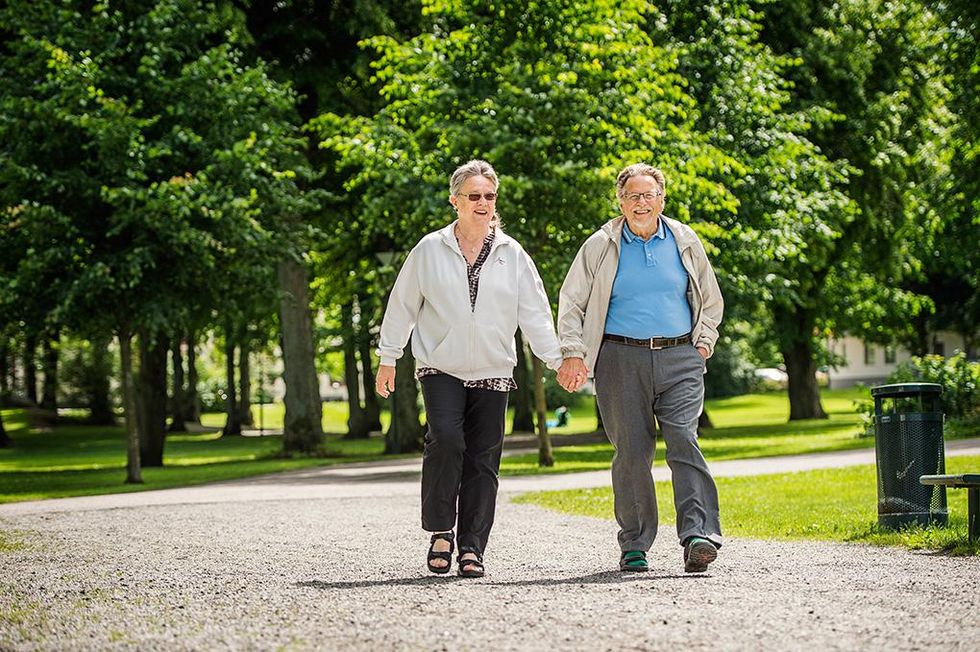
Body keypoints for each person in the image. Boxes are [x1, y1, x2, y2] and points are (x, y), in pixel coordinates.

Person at [375, 159, 571, 577]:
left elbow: (535, 313)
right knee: (445, 439)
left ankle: (471, 547)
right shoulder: (430, 249)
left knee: (484, 458)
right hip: (440, 365)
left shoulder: (512, 253)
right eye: (474, 196)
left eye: (489, 196)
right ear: (455, 201)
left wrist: (556, 360)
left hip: (493, 369)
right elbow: (402, 305)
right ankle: (441, 531)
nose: (483, 203)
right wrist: (388, 356)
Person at [556, 163, 724, 573]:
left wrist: (703, 342)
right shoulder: (601, 244)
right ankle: (635, 543)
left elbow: (710, 297)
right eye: (632, 195)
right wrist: (573, 350)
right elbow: (571, 301)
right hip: (619, 358)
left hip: (680, 357)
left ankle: (698, 535)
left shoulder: (685, 240)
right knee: (631, 452)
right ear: (620, 201)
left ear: (661, 199)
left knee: (684, 440)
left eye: (648, 195)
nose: (641, 203)